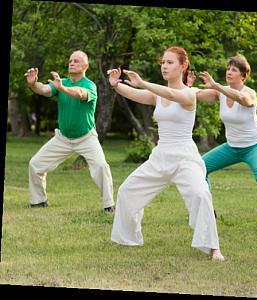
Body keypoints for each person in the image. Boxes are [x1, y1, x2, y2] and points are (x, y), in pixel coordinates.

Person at [107, 46, 224, 261]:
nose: (164, 66)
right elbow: (136, 94)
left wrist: (142, 82)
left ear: (183, 66)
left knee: (200, 194)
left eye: (170, 62)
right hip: (161, 156)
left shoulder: (189, 93)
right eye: (163, 62)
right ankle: (128, 239)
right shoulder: (157, 95)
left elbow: (171, 93)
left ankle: (211, 247)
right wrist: (117, 86)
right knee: (127, 191)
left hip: (184, 158)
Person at [187, 53, 257, 234]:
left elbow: (243, 100)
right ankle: (207, 213)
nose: (229, 72)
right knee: (200, 167)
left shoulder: (249, 93)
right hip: (232, 147)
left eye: (234, 70)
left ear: (243, 75)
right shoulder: (220, 92)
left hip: (254, 146)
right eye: (228, 69)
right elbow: (196, 95)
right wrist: (188, 87)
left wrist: (216, 86)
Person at [24, 50, 115, 212]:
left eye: (76, 61)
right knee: (35, 164)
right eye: (70, 61)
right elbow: (44, 89)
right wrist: (32, 84)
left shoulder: (89, 85)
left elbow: (80, 93)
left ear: (85, 66)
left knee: (101, 166)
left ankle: (109, 205)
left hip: (86, 137)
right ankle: (39, 201)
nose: (71, 63)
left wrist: (62, 88)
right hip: (63, 138)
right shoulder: (62, 81)